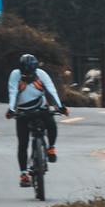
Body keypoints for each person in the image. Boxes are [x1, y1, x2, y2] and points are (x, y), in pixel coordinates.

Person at [6, 52, 67, 187]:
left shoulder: (42, 74)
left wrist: (60, 106)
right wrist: (11, 109)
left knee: (51, 123)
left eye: (31, 74)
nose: (28, 76)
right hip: (23, 111)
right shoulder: (15, 75)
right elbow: (12, 92)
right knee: (23, 143)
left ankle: (51, 148)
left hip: (41, 108)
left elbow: (52, 90)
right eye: (25, 74)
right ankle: (23, 174)